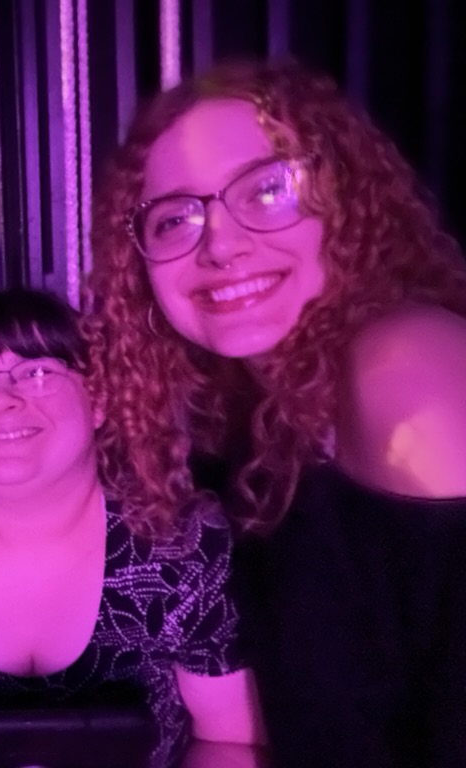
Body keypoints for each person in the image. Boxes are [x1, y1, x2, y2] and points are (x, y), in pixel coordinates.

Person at [85, 58, 466, 768]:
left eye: (267, 189)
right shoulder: (259, 419)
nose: (221, 244)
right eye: (175, 218)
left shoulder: (404, 362)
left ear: (345, 198)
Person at [0, 289, 265, 768]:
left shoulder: (179, 541)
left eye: (37, 372)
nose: (1, 400)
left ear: (98, 401)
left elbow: (228, 741)